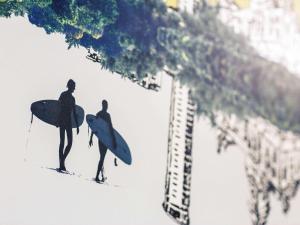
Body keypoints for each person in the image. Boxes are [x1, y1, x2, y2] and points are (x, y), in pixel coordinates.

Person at [89, 100, 117, 182]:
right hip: (103, 139)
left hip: (104, 138)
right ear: (103, 105)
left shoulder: (100, 114)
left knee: (102, 157)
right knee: (102, 157)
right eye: (105, 105)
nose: (106, 107)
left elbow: (109, 127)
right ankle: (97, 176)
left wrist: (114, 139)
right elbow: (94, 125)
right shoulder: (104, 115)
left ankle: (101, 175)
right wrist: (91, 138)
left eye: (107, 105)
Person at [57, 79, 79, 171]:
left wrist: (77, 126)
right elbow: (58, 107)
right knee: (62, 142)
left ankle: (62, 161)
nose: (74, 89)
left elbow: (74, 112)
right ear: (70, 86)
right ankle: (61, 164)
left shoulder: (73, 99)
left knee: (70, 143)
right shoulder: (63, 95)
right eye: (73, 87)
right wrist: (57, 120)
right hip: (62, 120)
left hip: (69, 122)